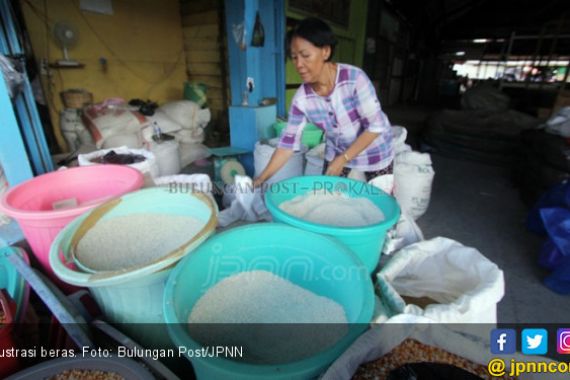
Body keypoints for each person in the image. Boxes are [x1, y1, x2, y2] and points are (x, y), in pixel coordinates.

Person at [254, 17, 394, 187]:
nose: (299, 64)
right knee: (327, 199)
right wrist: (261, 179)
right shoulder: (302, 100)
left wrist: (344, 158)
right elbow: (287, 145)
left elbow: (376, 126)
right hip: (337, 152)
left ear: (326, 51)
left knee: (379, 204)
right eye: (294, 57)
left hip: (375, 151)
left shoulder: (354, 79)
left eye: (305, 55)